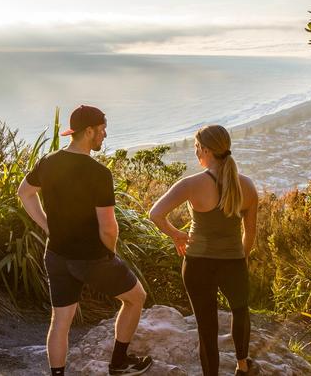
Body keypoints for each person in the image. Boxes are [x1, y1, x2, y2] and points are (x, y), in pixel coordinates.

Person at [18, 105, 153, 376]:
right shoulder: (98, 173)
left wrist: (48, 227)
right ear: (89, 131)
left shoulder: (48, 162)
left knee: (60, 322)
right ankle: (118, 363)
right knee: (136, 297)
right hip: (92, 256)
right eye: (102, 130)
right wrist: (110, 255)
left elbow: (24, 193)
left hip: (55, 253)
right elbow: (108, 228)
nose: (104, 135)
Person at [148, 124, 259, 376]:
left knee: (206, 327)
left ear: (206, 150)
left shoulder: (191, 184)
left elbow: (155, 214)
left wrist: (177, 235)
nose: (196, 152)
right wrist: (241, 259)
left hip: (197, 263)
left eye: (197, 147)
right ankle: (242, 367)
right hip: (233, 261)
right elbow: (249, 233)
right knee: (240, 311)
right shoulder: (248, 186)